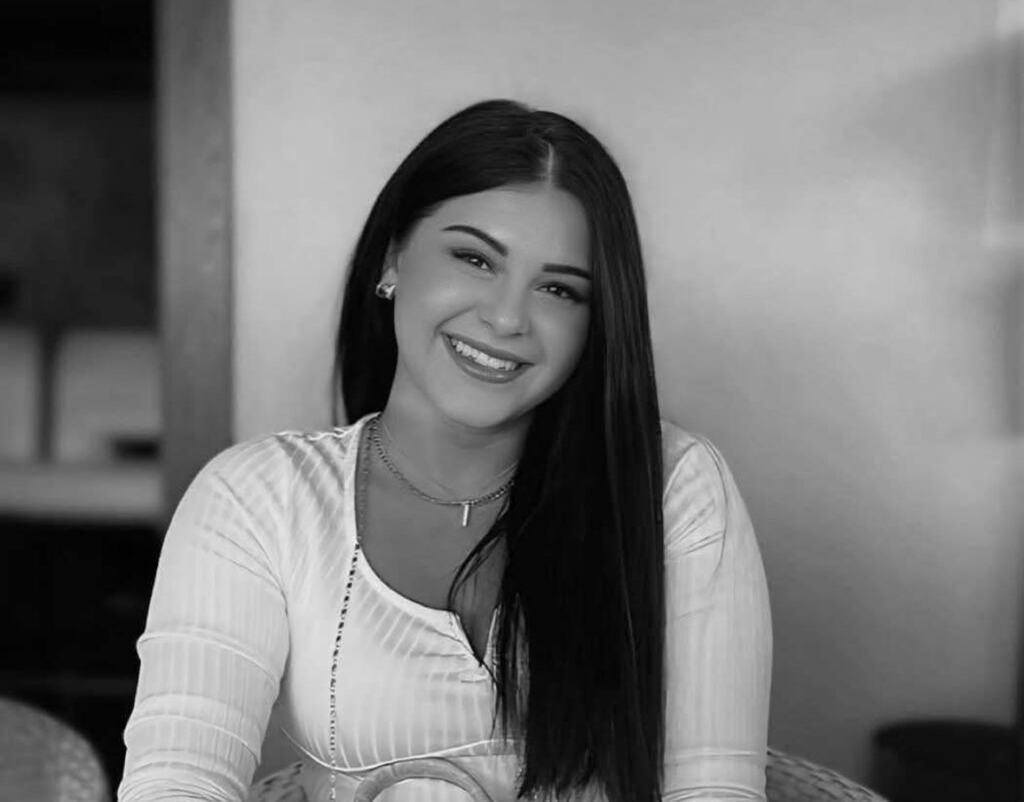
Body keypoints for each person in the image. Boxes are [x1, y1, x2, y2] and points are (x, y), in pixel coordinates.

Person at [118, 100, 772, 802]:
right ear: (393, 258)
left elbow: (715, 789)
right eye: (475, 258)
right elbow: (177, 781)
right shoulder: (257, 498)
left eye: (558, 288)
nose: (507, 317)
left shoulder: (673, 487)